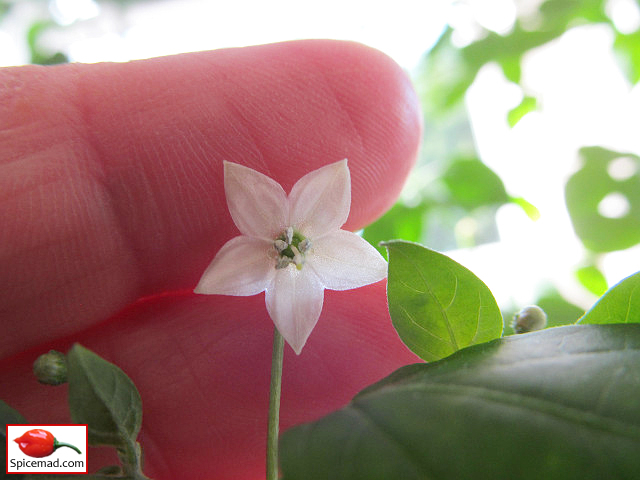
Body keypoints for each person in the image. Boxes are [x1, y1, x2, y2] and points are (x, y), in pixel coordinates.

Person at [0, 39, 422, 479]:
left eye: (292, 246)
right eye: (291, 244)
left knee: (28, 453)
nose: (291, 247)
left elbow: (363, 263)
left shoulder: (319, 254)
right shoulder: (270, 220)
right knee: (31, 453)